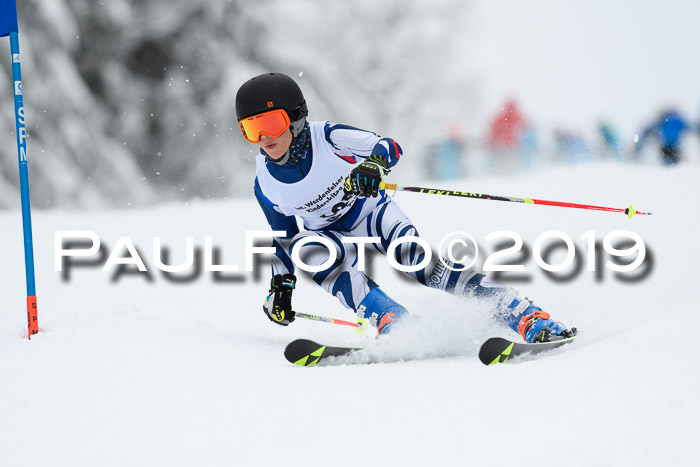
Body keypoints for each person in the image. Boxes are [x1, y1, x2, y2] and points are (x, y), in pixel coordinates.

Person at [235, 72, 575, 343]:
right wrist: (281, 287)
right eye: (252, 129)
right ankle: (391, 319)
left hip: (372, 215)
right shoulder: (265, 183)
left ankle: (523, 314)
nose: (264, 137)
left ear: (295, 117)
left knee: (421, 266)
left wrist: (373, 166)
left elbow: (388, 146)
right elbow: (284, 237)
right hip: (328, 235)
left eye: (271, 124)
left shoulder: (328, 137)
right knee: (308, 252)